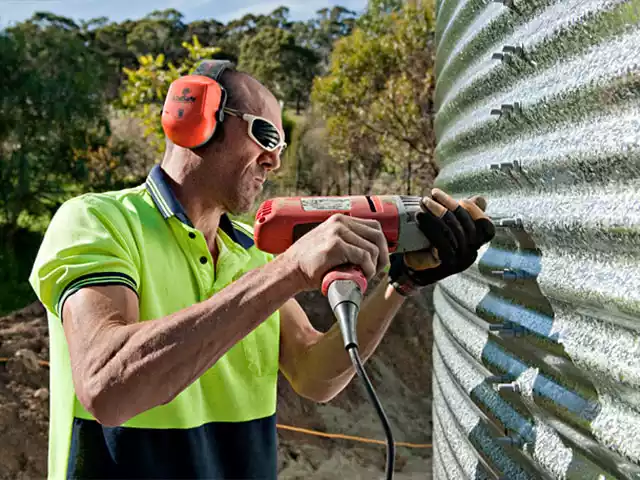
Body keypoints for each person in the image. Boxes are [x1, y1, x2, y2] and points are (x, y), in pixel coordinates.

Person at [28, 61, 495, 480]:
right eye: (265, 136)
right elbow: (108, 387)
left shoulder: (251, 253)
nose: (274, 159)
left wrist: (401, 282)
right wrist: (289, 268)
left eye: (282, 144)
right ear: (196, 120)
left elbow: (315, 374)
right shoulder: (97, 220)